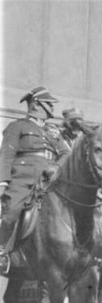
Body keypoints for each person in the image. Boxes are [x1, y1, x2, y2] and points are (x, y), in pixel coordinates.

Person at [0, 86, 70, 275]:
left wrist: (57, 167)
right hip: (24, 178)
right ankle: (2, 252)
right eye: (49, 104)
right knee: (12, 209)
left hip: (51, 181)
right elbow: (6, 154)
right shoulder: (18, 126)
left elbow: (65, 152)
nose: (53, 108)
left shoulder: (52, 131)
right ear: (37, 104)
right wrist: (3, 183)